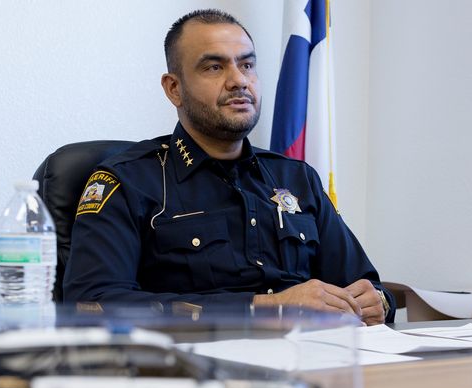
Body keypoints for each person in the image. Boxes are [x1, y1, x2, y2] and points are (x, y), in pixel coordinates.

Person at [63, 9, 395, 324]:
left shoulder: (295, 178)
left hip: (312, 362)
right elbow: (93, 303)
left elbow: (365, 283)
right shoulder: (128, 181)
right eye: (214, 67)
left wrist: (376, 301)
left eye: (247, 65)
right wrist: (264, 309)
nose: (239, 80)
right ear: (173, 88)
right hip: (195, 371)